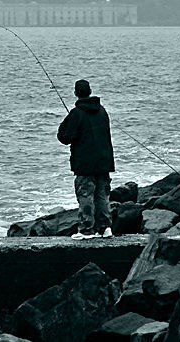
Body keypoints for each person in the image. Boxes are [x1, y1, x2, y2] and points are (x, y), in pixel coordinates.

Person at [57, 79, 115, 239]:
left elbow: (63, 137)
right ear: (89, 92)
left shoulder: (77, 113)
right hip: (104, 161)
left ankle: (86, 229)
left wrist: (65, 123)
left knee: (86, 195)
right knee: (102, 195)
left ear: (76, 93)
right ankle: (105, 228)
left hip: (85, 163)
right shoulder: (102, 110)